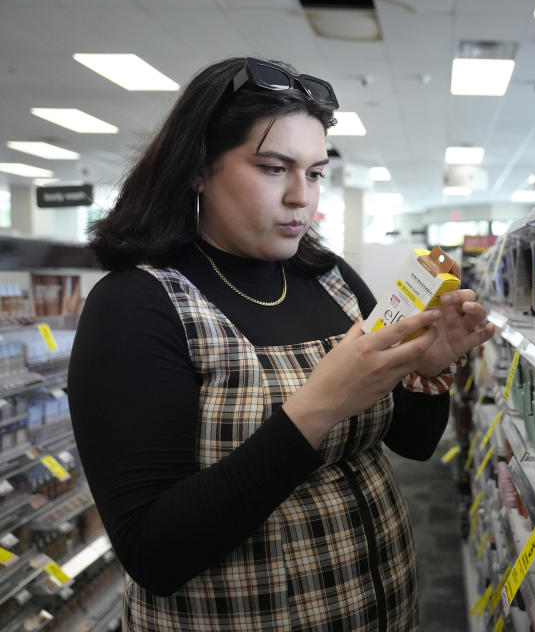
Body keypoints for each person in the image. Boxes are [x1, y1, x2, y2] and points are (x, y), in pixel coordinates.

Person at [67, 57, 495, 631]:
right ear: (197, 169)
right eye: (274, 169)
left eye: (316, 173)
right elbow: (154, 552)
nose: (303, 198)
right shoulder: (137, 305)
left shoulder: (332, 279)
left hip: (386, 607)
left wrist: (426, 370)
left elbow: (414, 442)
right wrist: (318, 406)